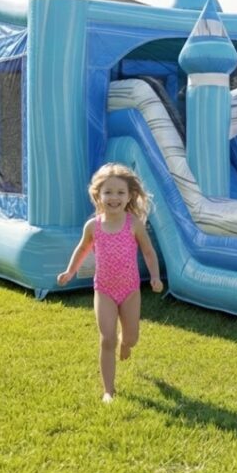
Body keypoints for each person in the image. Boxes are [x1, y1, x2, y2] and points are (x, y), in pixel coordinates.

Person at [58, 162, 163, 402]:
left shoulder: (133, 224)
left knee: (131, 337)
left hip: (129, 290)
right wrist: (69, 271)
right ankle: (108, 390)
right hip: (104, 289)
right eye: (108, 192)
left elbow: (148, 251)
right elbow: (83, 248)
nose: (114, 198)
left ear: (129, 196)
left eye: (120, 193)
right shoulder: (93, 226)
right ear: (98, 195)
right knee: (106, 339)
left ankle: (125, 343)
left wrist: (155, 276)